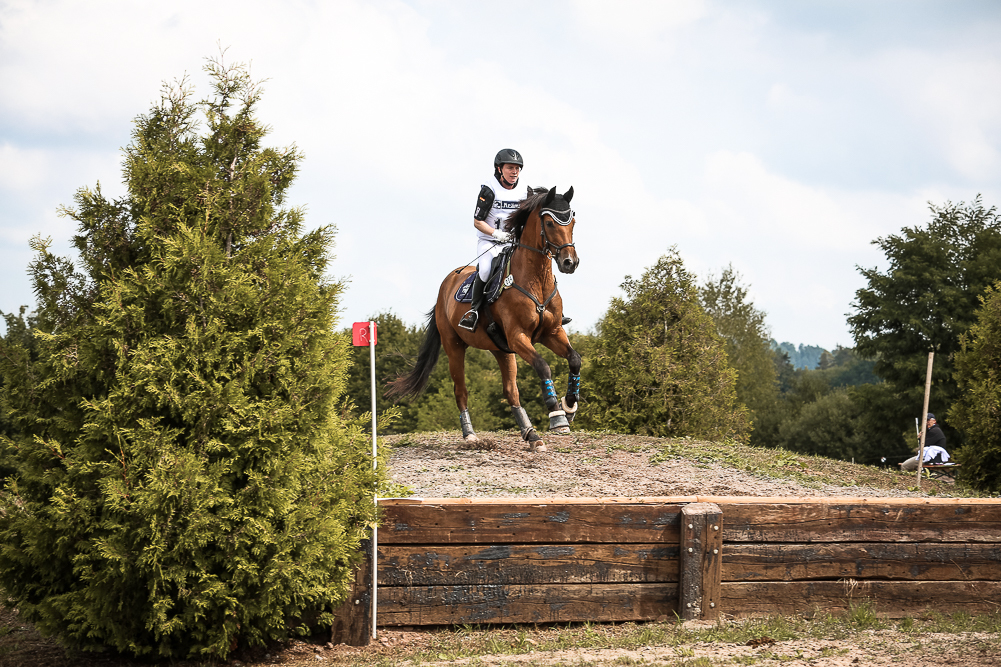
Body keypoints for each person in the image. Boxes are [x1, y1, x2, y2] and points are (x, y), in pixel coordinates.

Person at [458, 148, 529, 332]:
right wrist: (496, 234)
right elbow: (477, 221)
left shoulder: (525, 191)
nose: (514, 172)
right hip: (489, 241)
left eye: (517, 168)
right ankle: (473, 311)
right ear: (499, 169)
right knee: (486, 270)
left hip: (514, 243)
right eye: (510, 168)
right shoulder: (489, 190)